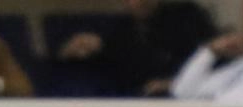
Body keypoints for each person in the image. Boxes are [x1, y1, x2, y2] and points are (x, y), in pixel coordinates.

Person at [52, 0, 213, 100]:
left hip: (188, 97)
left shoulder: (186, 17)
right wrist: (72, 53)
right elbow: (120, 68)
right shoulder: (120, 32)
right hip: (140, 104)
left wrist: (173, 83)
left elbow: (211, 59)